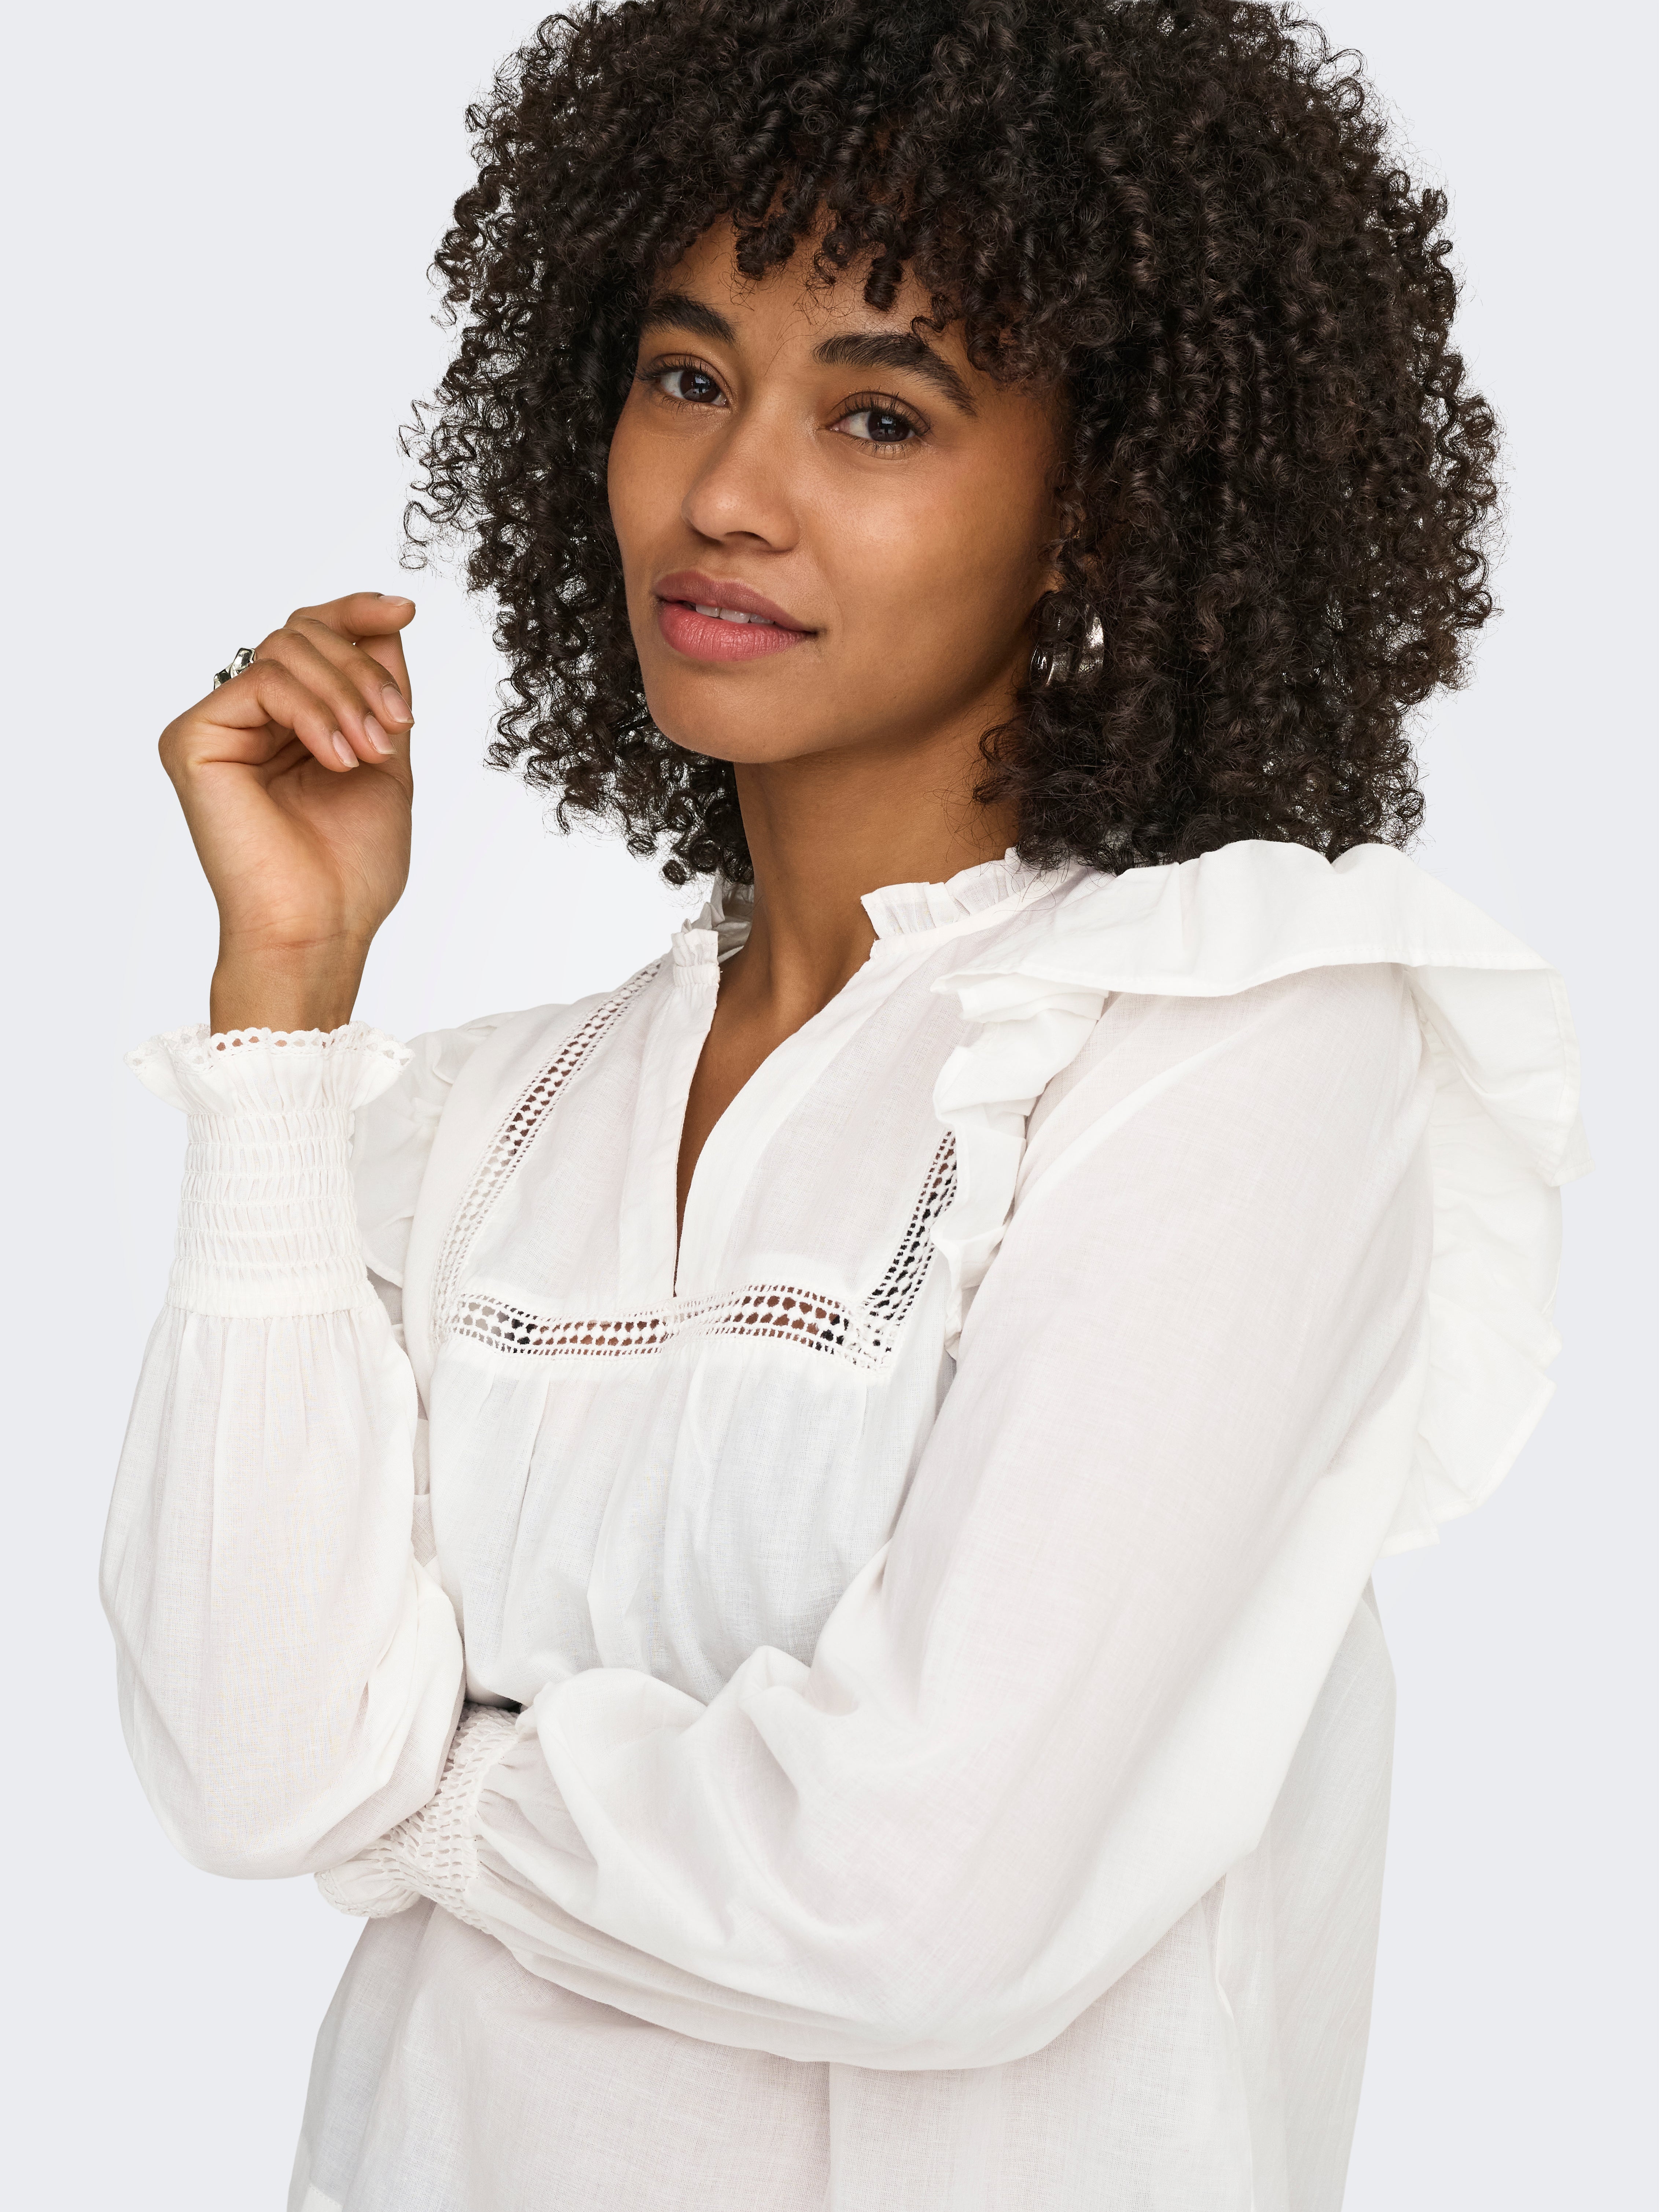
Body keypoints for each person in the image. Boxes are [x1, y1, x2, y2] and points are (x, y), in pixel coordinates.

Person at [104, 3, 1589, 2206]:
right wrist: (288, 1013)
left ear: (1106, 509)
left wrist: (422, 1793)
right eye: (685, 374)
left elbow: (922, 1900)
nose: (726, 495)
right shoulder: (488, 1119)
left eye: (880, 414)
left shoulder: (1241, 1041)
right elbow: (243, 1765)